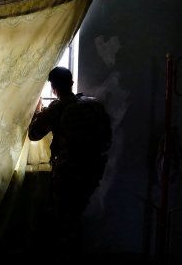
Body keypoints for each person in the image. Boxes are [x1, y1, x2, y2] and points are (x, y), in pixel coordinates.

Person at [28, 66, 111, 261]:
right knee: (75, 217)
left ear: (53, 88)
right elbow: (106, 139)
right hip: (91, 173)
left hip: (67, 175)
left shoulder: (58, 107)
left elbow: (34, 134)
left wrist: (38, 112)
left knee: (62, 221)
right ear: (72, 83)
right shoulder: (94, 105)